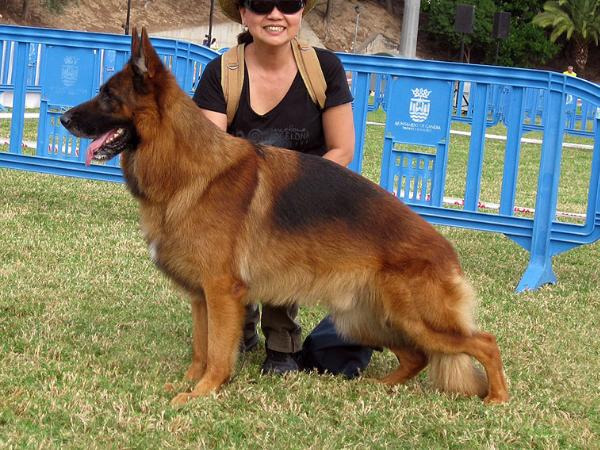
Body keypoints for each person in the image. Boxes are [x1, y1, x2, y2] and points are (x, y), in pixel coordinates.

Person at [193, 0, 357, 375]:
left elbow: (342, 149)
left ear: (301, 12)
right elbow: (210, 153)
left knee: (283, 229)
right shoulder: (222, 71)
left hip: (307, 193)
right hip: (236, 197)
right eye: (262, 3)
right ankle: (240, 324)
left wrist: (290, 195)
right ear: (244, 14)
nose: (275, 14)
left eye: (288, 3)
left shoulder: (324, 68)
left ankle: (282, 342)